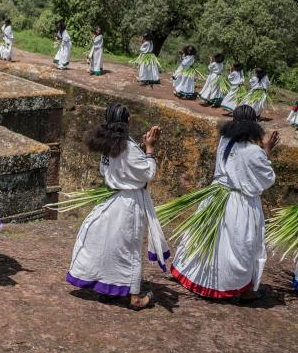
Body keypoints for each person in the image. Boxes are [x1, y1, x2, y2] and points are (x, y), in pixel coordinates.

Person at [66, 104, 169, 310]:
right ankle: (135, 297)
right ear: (127, 121)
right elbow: (147, 174)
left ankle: (108, 287)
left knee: (109, 247)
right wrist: (149, 149)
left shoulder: (108, 144)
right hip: (128, 204)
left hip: (112, 200)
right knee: (128, 250)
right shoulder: (129, 148)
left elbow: (106, 170)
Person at [170, 106, 278, 300]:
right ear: (254, 125)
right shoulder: (254, 152)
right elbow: (267, 178)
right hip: (239, 204)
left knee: (208, 239)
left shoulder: (225, 141)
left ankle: (199, 277)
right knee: (240, 247)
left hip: (216, 196)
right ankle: (239, 288)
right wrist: (267, 150)